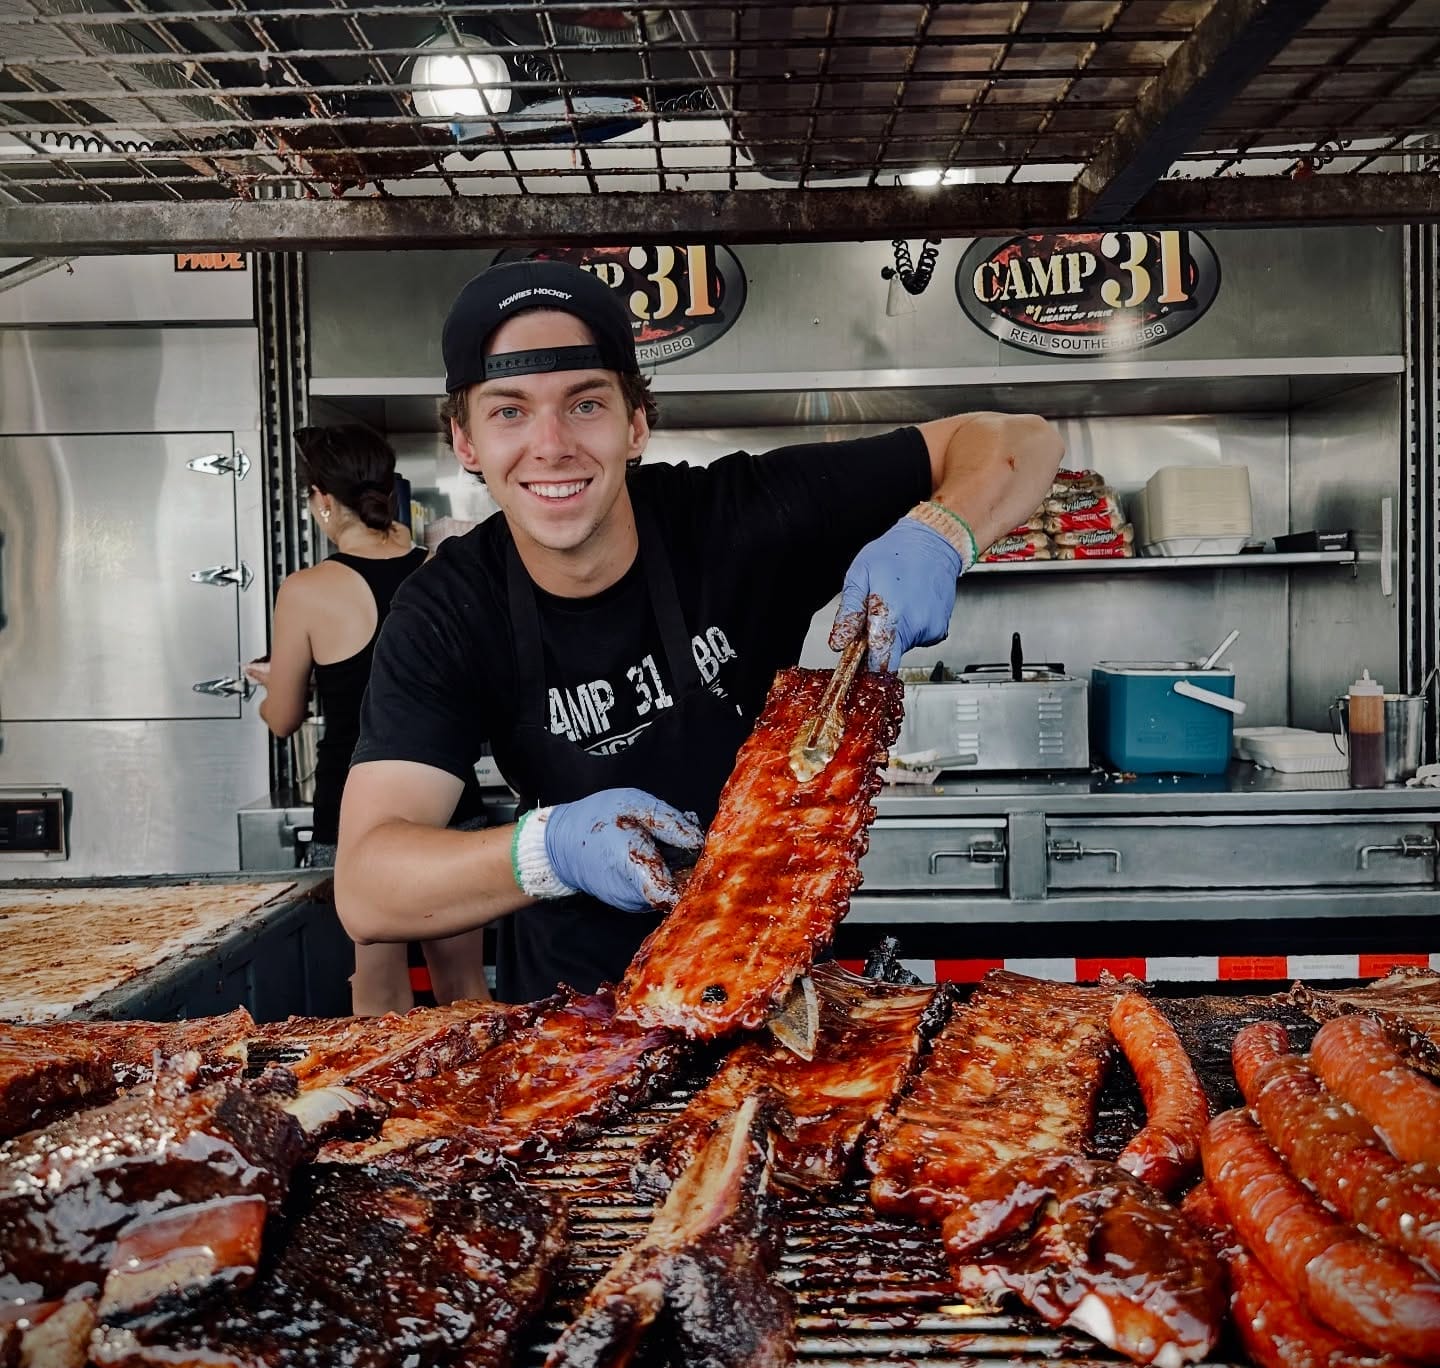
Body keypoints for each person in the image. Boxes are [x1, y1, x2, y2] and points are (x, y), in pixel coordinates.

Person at [336, 260, 1065, 1002]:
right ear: (465, 442)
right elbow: (366, 889)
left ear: (636, 422)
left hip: (775, 996)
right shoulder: (449, 609)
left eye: (585, 404)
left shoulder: (740, 516)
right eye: (509, 411)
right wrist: (546, 851)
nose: (550, 444)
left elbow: (1020, 438)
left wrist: (941, 532)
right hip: (572, 1024)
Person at [246, 424, 491, 1014]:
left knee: (377, 993)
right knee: (465, 989)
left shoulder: (308, 589)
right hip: (449, 798)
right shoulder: (440, 570)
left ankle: (387, 1107)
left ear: (323, 500)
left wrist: (272, 682)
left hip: (355, 813)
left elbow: (282, 720)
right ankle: (477, 1102)